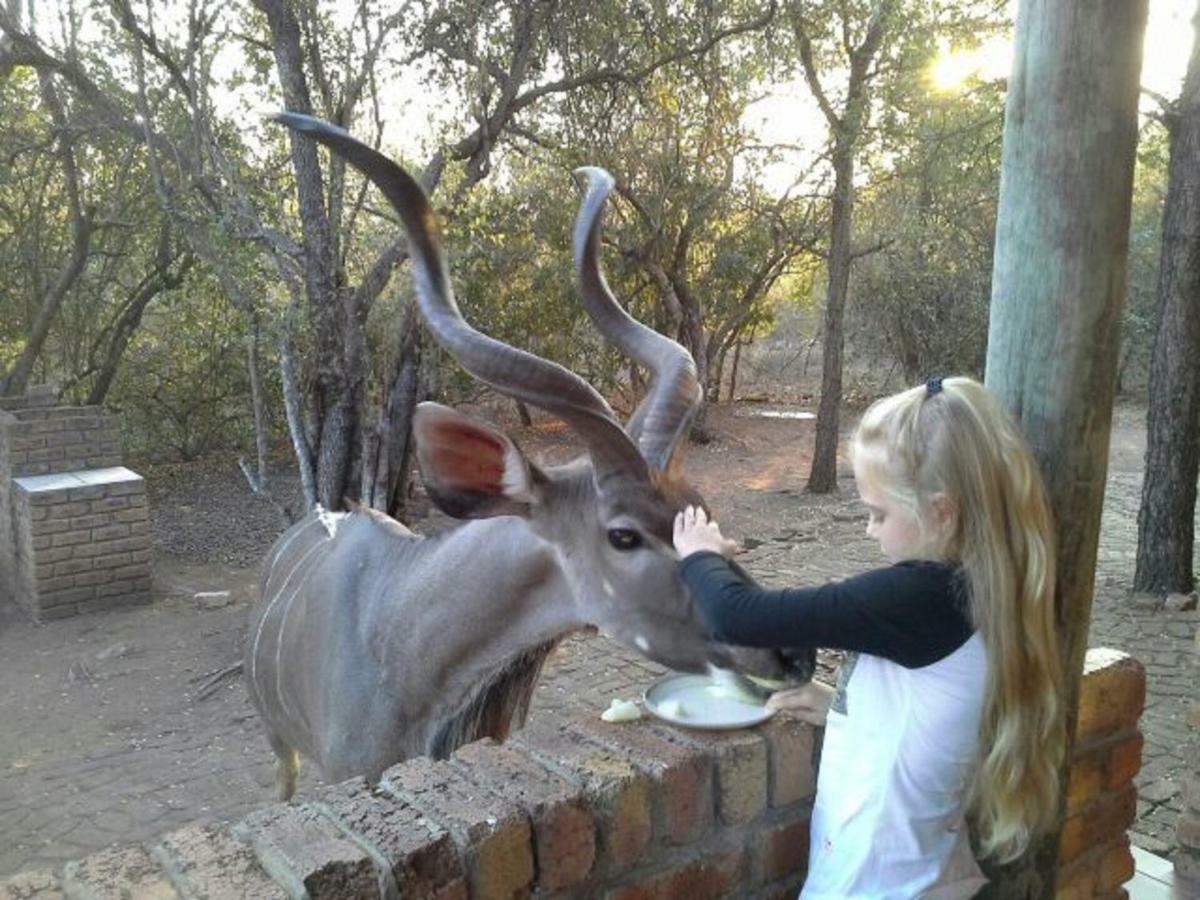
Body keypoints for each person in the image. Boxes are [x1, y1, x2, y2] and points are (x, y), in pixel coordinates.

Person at [674, 376, 1065, 900]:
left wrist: (700, 554)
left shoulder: (923, 598)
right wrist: (839, 704)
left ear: (942, 512)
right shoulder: (980, 585)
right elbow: (928, 701)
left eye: (878, 513)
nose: (868, 530)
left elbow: (738, 616)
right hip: (923, 873)